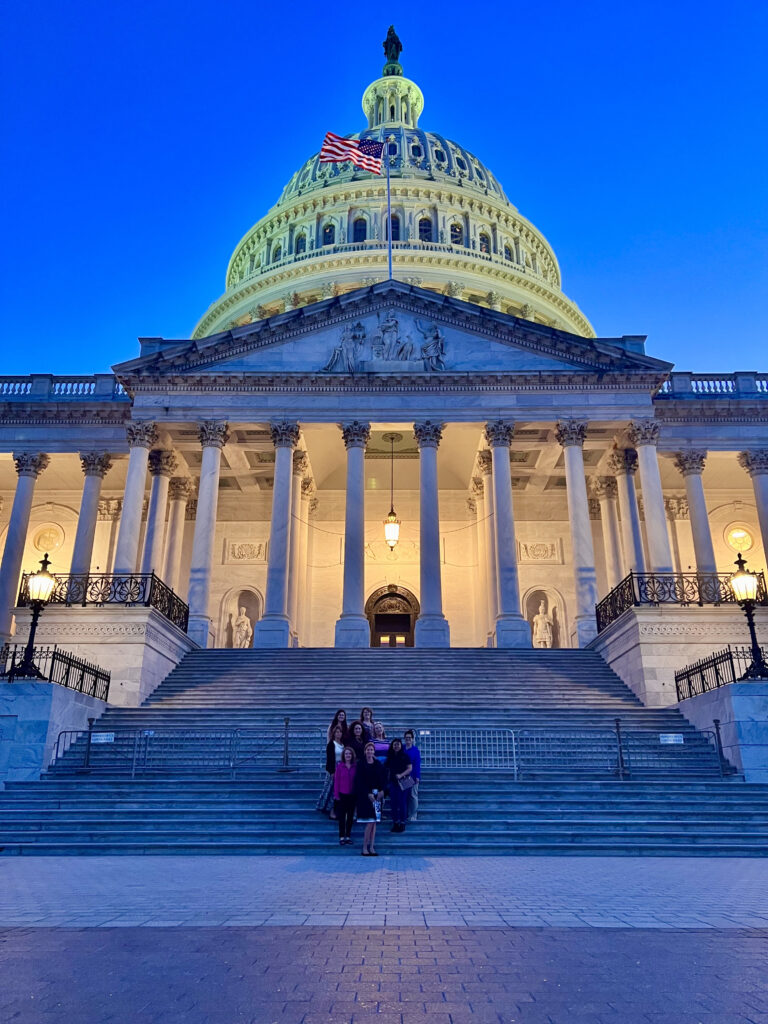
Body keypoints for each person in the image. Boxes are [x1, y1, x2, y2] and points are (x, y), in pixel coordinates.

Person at [355, 742, 387, 856]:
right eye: (368, 750)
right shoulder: (360, 764)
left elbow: (383, 779)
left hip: (377, 796)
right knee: (370, 821)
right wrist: (367, 793)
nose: (369, 752)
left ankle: (372, 847)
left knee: (375, 823)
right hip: (365, 797)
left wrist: (382, 791)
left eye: (371, 750)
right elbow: (359, 781)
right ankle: (364, 847)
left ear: (374, 751)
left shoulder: (378, 764)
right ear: (365, 751)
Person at [316, 724, 344, 817]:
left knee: (338, 791)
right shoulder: (331, 744)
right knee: (330, 790)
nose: (338, 734)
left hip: (341, 767)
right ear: (334, 733)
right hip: (333, 768)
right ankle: (327, 808)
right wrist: (332, 771)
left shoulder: (343, 744)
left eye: (340, 732)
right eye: (337, 732)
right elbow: (329, 759)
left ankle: (335, 809)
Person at [385, 738, 412, 833]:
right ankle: (395, 822)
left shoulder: (405, 756)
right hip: (393, 782)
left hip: (404, 782)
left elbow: (409, 768)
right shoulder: (390, 756)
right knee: (393, 803)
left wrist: (401, 775)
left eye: (398, 744)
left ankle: (403, 823)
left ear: (401, 746)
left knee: (402, 803)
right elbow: (387, 768)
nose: (396, 746)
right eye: (395, 744)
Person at [333, 746, 357, 845]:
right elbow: (336, 781)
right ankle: (342, 836)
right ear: (344, 755)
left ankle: (348, 836)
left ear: (352, 755)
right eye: (346, 753)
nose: (348, 755)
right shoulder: (339, 766)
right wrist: (336, 795)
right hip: (342, 794)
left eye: (349, 754)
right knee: (342, 817)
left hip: (352, 795)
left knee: (350, 817)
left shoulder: (355, 766)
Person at [403, 729, 421, 822]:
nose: (408, 739)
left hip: (412, 776)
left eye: (410, 738)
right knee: (405, 796)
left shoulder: (415, 750)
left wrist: (417, 776)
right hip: (403, 776)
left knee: (413, 796)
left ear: (413, 739)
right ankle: (405, 814)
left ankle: (413, 815)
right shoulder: (402, 748)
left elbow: (417, 764)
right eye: (406, 738)